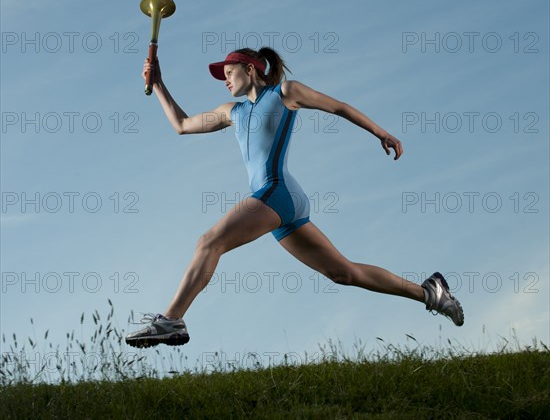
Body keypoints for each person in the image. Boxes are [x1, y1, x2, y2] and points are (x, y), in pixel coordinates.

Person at [126, 47, 464, 348]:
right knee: (344, 273)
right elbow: (182, 125)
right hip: (281, 202)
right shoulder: (234, 112)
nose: (225, 81)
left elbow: (338, 107)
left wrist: (380, 132)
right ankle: (430, 293)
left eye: (229, 74)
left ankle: (171, 320)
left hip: (276, 192)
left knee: (208, 242)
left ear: (251, 69)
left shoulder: (285, 92)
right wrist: (157, 84)